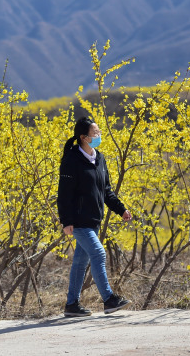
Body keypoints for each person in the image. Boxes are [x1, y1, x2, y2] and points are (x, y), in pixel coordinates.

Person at [57, 117, 133, 316]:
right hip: (79, 221)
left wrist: (121, 209)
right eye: (95, 133)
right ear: (83, 137)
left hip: (94, 220)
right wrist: (66, 220)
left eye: (98, 132)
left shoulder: (99, 158)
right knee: (98, 254)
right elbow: (64, 194)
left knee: (80, 262)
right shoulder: (71, 160)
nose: (98, 136)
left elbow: (106, 190)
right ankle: (108, 299)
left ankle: (71, 305)